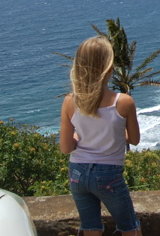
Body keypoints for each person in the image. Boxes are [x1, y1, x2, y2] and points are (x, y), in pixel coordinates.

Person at [59, 35, 142, 236]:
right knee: (129, 226)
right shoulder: (123, 102)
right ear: (110, 69)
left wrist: (79, 137)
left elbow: (66, 148)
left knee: (90, 228)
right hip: (109, 174)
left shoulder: (70, 101)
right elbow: (134, 139)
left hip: (77, 173)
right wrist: (116, 130)